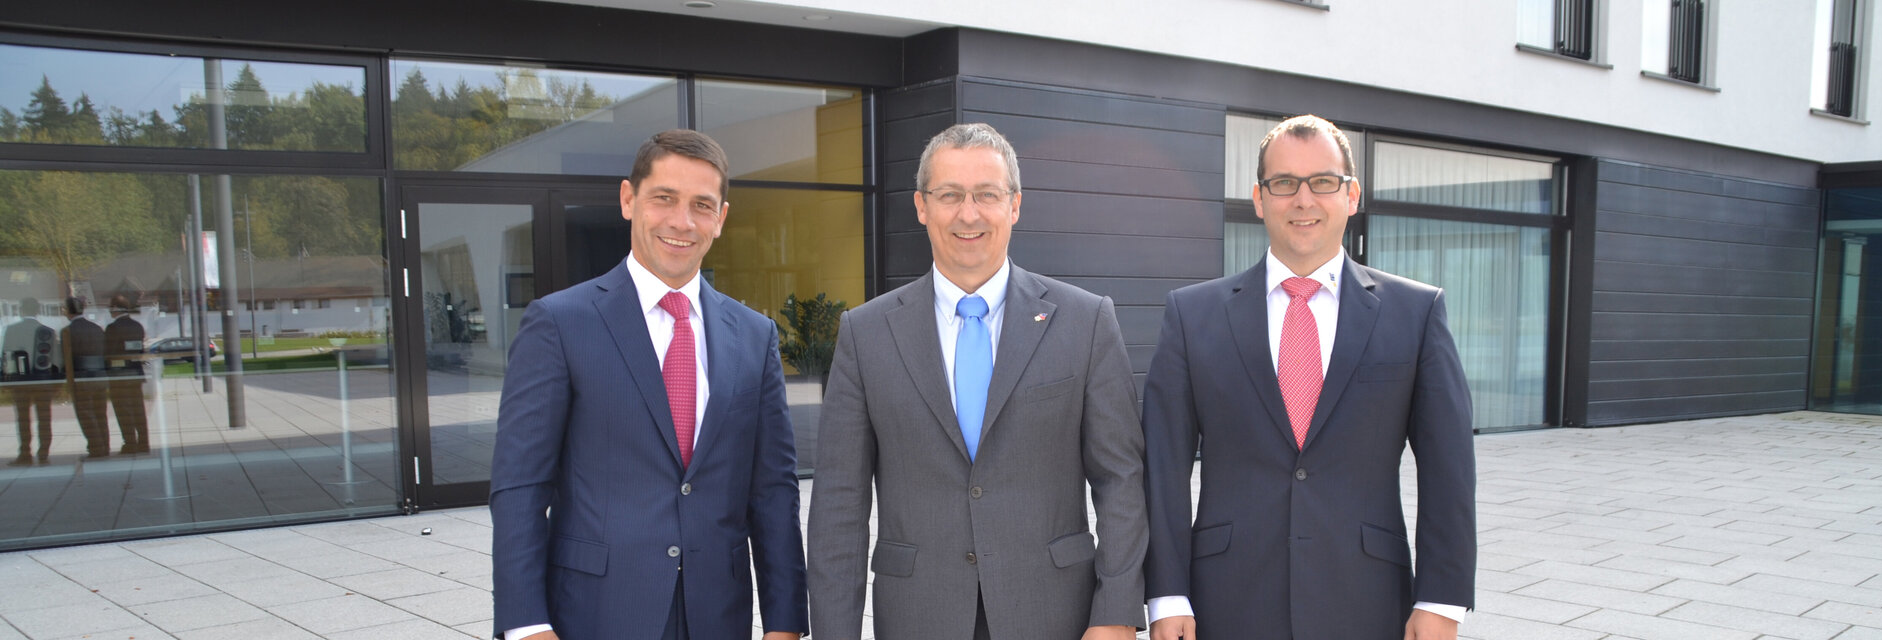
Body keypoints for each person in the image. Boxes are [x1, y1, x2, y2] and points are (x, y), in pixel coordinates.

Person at [808, 123, 1147, 640]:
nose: (968, 214)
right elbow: (838, 504)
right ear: (921, 206)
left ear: (1014, 205)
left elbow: (1120, 481)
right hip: (918, 616)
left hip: (1056, 614)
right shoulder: (866, 333)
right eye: (949, 195)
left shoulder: (1086, 321)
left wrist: (1118, 614)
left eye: (986, 195)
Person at [1142, 115, 1476, 640]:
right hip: (1225, 600)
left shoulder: (1416, 313)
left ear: (1352, 194)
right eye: (1284, 184)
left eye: (1323, 182)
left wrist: (1441, 600)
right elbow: (1162, 467)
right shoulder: (1192, 315)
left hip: (1368, 599)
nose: (1303, 199)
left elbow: (1449, 469)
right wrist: (1166, 594)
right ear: (1258, 197)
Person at [489, 129, 806, 640]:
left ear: (721, 219)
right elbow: (521, 486)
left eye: (702, 205)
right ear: (628, 200)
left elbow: (772, 490)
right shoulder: (559, 322)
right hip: (596, 613)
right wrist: (527, 624)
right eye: (664, 199)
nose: (682, 222)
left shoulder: (754, 335)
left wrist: (785, 624)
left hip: (718, 615)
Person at [5, 297, 60, 466]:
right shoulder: (47, 331)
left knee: (23, 419)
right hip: (43, 382)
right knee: (44, 418)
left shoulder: (12, 330)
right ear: (37, 310)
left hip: (20, 381)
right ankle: (43, 454)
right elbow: (56, 360)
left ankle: (25, 453)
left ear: (21, 310)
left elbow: (7, 357)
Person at [62, 297, 111, 459]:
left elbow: (66, 359)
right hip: (100, 377)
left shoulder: (67, 332)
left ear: (68, 311)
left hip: (81, 378)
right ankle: (105, 446)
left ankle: (96, 448)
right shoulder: (97, 328)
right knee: (100, 413)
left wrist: (68, 384)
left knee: (86, 414)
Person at [105, 295, 149, 454]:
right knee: (138, 408)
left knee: (123, 410)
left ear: (116, 308)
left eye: (110, 307)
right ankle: (144, 441)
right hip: (136, 374)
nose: (109, 311)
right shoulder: (137, 326)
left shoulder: (112, 329)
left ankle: (130, 442)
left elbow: (108, 353)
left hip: (119, 376)